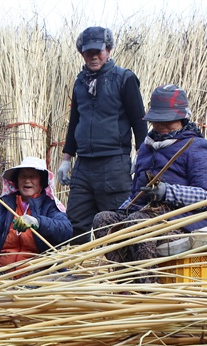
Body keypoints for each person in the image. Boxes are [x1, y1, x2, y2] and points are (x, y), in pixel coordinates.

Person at [92, 84, 207, 275]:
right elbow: (137, 194)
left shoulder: (197, 147)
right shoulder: (146, 147)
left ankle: (147, 286)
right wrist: (124, 209)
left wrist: (168, 192)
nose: (162, 126)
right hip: (145, 215)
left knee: (137, 223)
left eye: (168, 121)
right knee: (104, 220)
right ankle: (123, 279)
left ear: (182, 119)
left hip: (182, 222)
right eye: (158, 121)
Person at [57, 26, 147, 244]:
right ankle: (78, 271)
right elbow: (75, 122)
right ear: (81, 53)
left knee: (115, 221)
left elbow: (139, 121)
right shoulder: (80, 82)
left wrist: (141, 156)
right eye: (88, 52)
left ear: (109, 50)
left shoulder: (125, 79)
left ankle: (118, 274)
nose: (94, 56)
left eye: (99, 51)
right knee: (75, 221)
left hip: (114, 163)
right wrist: (66, 160)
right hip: (84, 165)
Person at [0, 156, 73, 269]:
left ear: (42, 181)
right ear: (16, 181)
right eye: (23, 176)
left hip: (36, 274)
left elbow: (66, 231)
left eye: (32, 176)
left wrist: (37, 222)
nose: (27, 180)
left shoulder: (50, 205)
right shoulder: (3, 204)